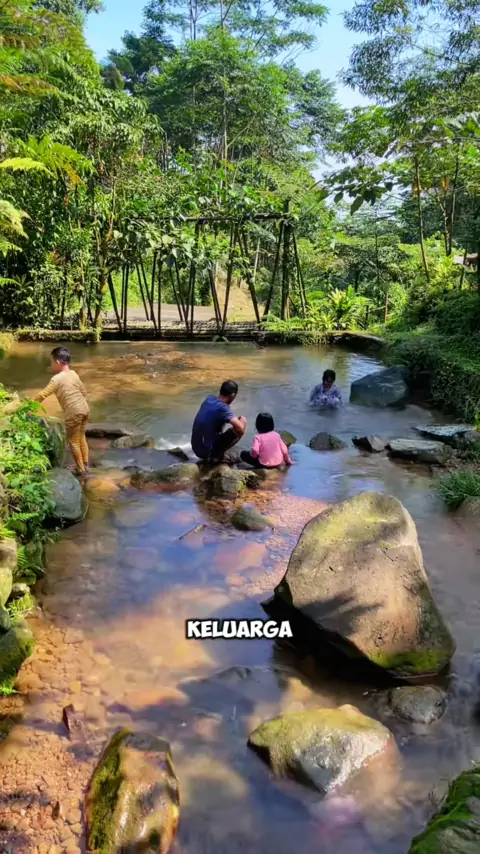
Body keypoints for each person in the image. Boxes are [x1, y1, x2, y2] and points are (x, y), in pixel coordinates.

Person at [35, 347, 90, 475]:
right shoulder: (74, 374)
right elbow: (84, 392)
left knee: (73, 441)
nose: (51, 364)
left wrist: (28, 405)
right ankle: (86, 464)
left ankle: (80, 469)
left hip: (73, 412)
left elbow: (42, 395)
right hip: (84, 409)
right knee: (81, 436)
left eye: (52, 362)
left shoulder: (56, 379)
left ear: (58, 362)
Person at [191, 380, 246, 462]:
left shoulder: (209, 399)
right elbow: (240, 429)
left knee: (217, 423)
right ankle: (216, 455)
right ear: (233, 395)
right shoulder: (223, 408)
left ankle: (213, 449)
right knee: (242, 420)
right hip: (206, 452)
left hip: (196, 448)